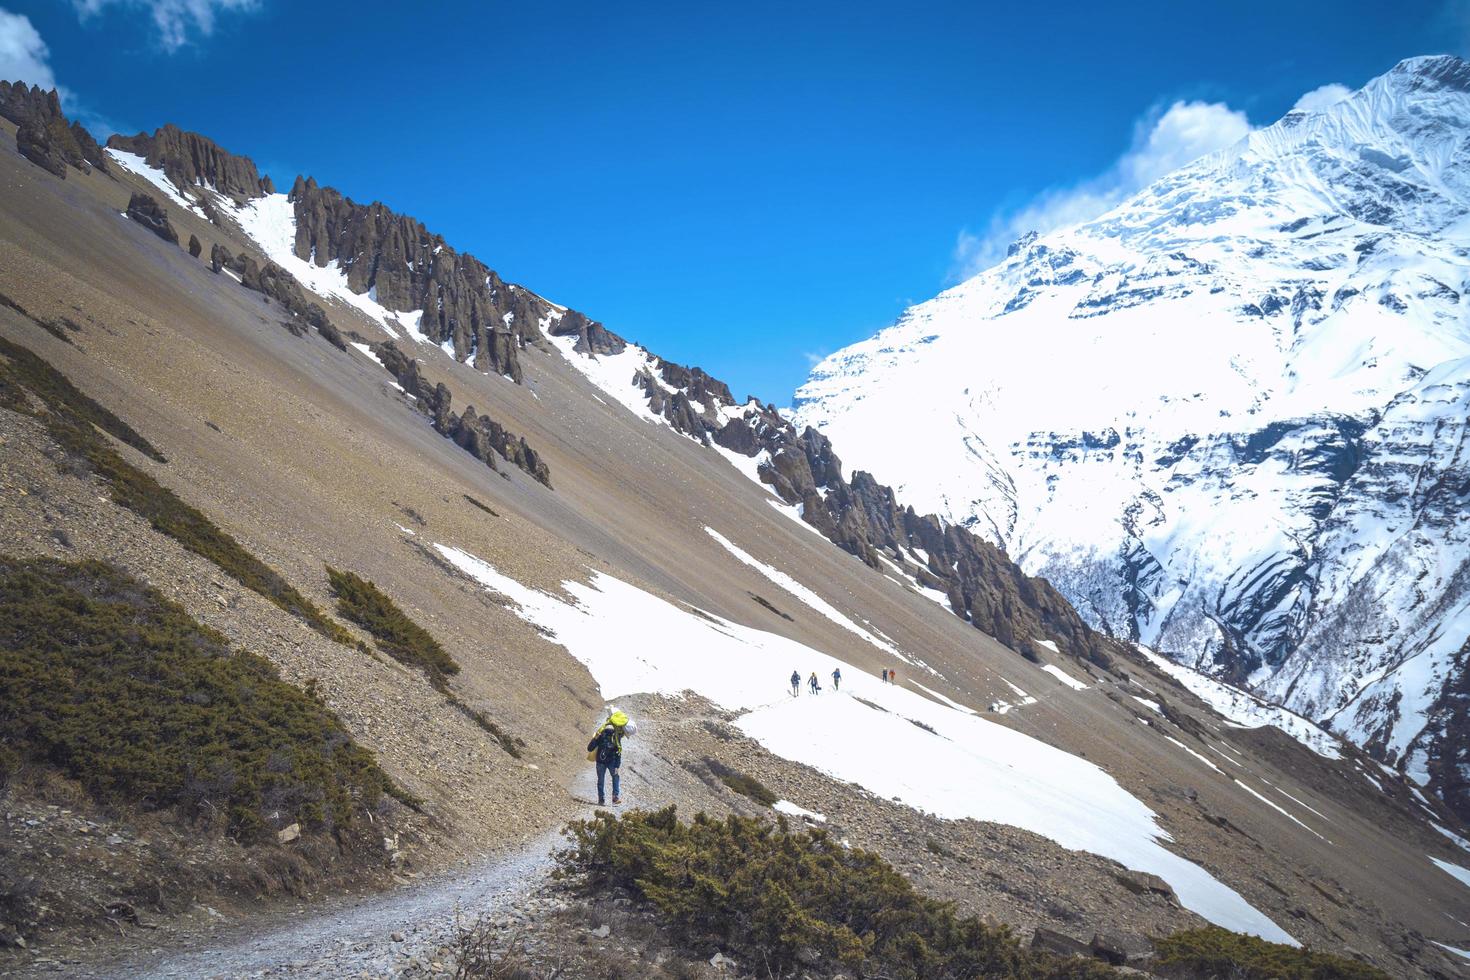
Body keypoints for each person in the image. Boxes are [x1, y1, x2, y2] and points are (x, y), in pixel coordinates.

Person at [587, 710, 632, 806]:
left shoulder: (603, 735)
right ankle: (614, 797)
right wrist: (617, 766)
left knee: (601, 781)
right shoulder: (615, 736)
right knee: (615, 777)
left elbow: (590, 748)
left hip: (601, 762)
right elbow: (619, 752)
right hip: (609, 762)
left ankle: (602, 799)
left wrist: (595, 738)